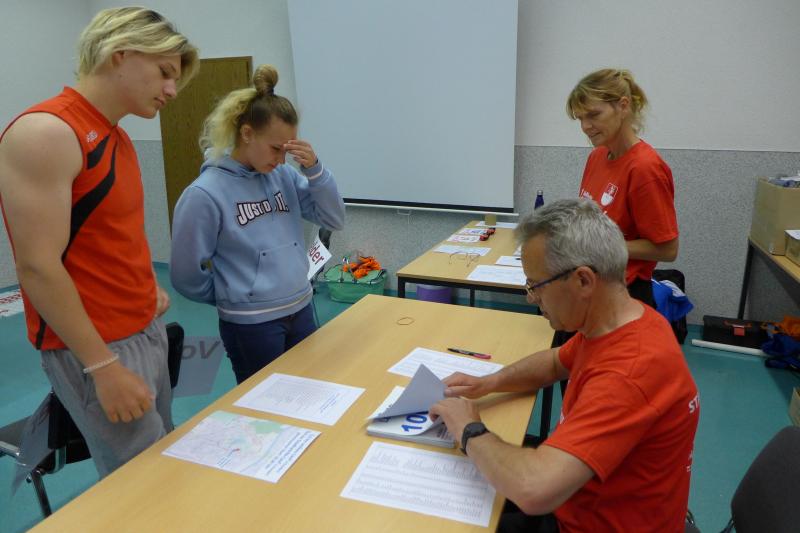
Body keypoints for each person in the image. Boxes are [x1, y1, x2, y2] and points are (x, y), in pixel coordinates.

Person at [0, 8, 199, 477]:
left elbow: (111, 235)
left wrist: (143, 288)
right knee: (140, 481)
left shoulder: (116, 137)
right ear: (120, 53)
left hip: (143, 328)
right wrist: (102, 367)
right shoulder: (47, 132)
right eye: (164, 72)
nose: (172, 90)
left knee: (163, 456)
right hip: (99, 346)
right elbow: (38, 266)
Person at [430, 199, 699, 532]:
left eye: (535, 285)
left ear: (583, 281)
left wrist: (469, 428)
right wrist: (489, 382)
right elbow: (556, 361)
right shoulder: (623, 321)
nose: (531, 297)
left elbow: (534, 490)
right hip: (579, 501)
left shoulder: (629, 372)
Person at [170, 64, 345, 384]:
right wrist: (234, 293)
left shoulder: (284, 175)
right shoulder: (204, 194)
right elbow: (185, 275)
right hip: (252, 324)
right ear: (247, 134)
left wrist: (316, 171)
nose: (281, 160)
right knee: (264, 404)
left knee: (309, 391)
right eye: (276, 149)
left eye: (287, 150)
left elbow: (333, 218)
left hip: (301, 307)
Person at [566, 68, 678, 307]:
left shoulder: (645, 168)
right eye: (580, 118)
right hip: (594, 285)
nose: (585, 126)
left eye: (593, 115)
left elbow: (667, 250)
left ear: (623, 106)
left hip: (626, 294)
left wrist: (603, 246)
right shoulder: (597, 156)